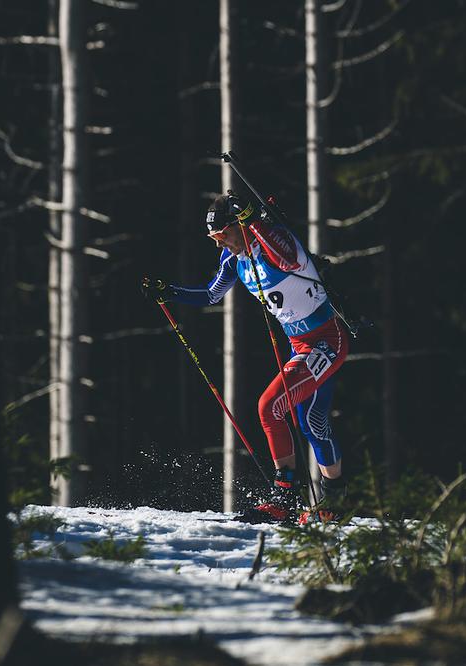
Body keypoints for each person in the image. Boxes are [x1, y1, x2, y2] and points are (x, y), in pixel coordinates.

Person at [142, 190, 349, 522]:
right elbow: (211, 294)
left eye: (223, 236)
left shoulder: (276, 242)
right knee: (313, 423)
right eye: (214, 239)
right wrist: (170, 293)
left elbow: (288, 261)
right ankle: (333, 500)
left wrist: (254, 221)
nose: (221, 245)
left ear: (239, 226)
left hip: (327, 340)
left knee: (271, 406)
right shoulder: (234, 261)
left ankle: (284, 498)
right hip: (300, 345)